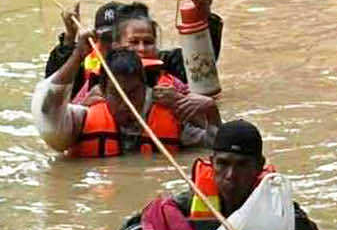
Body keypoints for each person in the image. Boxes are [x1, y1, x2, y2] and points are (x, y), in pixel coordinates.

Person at [130, 120, 319, 230]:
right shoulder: (189, 202)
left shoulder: (274, 205)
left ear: (259, 167)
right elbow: (136, 228)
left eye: (242, 165)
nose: (230, 175)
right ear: (212, 163)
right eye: (223, 163)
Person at [33, 38, 217, 156]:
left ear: (146, 90)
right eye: (117, 95)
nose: (126, 104)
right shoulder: (82, 119)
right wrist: (77, 56)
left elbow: (217, 148)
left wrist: (210, 111)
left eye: (133, 93)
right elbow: (48, 112)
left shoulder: (171, 116)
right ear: (103, 91)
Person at [44, 0, 225, 96]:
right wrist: (69, 40)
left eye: (147, 42)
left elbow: (201, 64)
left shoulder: (167, 66)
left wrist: (203, 14)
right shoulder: (90, 77)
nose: (141, 48)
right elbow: (53, 93)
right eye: (104, 39)